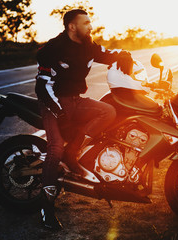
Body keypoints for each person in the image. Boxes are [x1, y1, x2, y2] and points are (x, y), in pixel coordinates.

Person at [35, 9, 133, 230]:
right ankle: (46, 208)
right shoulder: (53, 49)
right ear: (72, 26)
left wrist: (124, 55)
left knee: (108, 112)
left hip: (75, 101)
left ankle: (75, 151)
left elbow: (108, 52)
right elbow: (42, 87)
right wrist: (59, 112)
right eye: (86, 23)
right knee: (56, 147)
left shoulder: (89, 45)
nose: (90, 26)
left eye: (90, 22)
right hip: (52, 102)